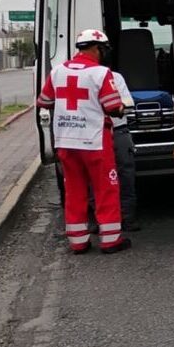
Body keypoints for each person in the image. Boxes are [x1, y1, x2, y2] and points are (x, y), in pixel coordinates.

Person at [36, 29, 131, 255]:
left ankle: (78, 242)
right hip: (94, 141)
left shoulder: (58, 71)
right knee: (105, 189)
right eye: (103, 50)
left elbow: (45, 101)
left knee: (74, 190)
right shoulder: (101, 73)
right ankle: (110, 240)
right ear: (97, 48)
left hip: (66, 142)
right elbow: (113, 108)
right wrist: (122, 107)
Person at [109, 70, 140, 231]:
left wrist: (111, 109)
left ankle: (127, 218)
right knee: (98, 179)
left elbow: (128, 105)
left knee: (126, 176)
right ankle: (104, 220)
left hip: (118, 130)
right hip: (96, 133)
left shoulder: (115, 77)